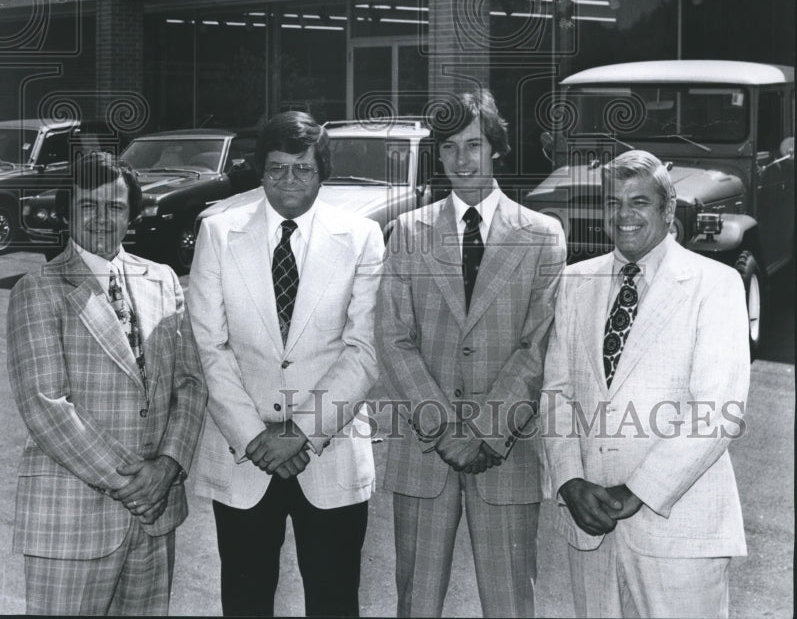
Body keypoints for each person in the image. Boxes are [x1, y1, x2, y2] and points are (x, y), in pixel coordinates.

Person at [376, 89, 567, 618]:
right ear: (437, 155)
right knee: (416, 603)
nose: (462, 160)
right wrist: (443, 428)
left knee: (510, 603)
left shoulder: (542, 236)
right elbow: (393, 338)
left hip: (505, 450)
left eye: (474, 145)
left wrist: (483, 432)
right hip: (424, 451)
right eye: (450, 148)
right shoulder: (407, 234)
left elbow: (539, 344)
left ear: (496, 150)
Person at [187, 111, 384, 618]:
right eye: (276, 169)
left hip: (329, 451)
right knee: (246, 603)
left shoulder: (362, 237)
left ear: (323, 171)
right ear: (260, 170)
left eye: (303, 168)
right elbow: (210, 346)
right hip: (243, 456)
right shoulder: (218, 232)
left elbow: (364, 350)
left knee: (334, 602)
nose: (289, 181)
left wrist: (300, 432)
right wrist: (255, 438)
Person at [542, 149, 750, 619]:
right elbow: (556, 393)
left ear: (667, 210)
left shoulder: (714, 284)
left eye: (639, 202)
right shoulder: (575, 282)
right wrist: (570, 481)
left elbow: (717, 410)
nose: (624, 215)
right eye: (613, 203)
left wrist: (638, 491)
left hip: (679, 529)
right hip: (590, 526)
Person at [7, 151, 207, 616]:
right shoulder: (38, 288)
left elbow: (191, 384)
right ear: (67, 212)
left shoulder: (161, 280)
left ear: (131, 214)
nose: (101, 218)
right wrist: (135, 482)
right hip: (72, 517)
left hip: (156, 518)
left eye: (114, 207)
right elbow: (46, 405)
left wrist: (168, 467)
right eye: (87, 206)